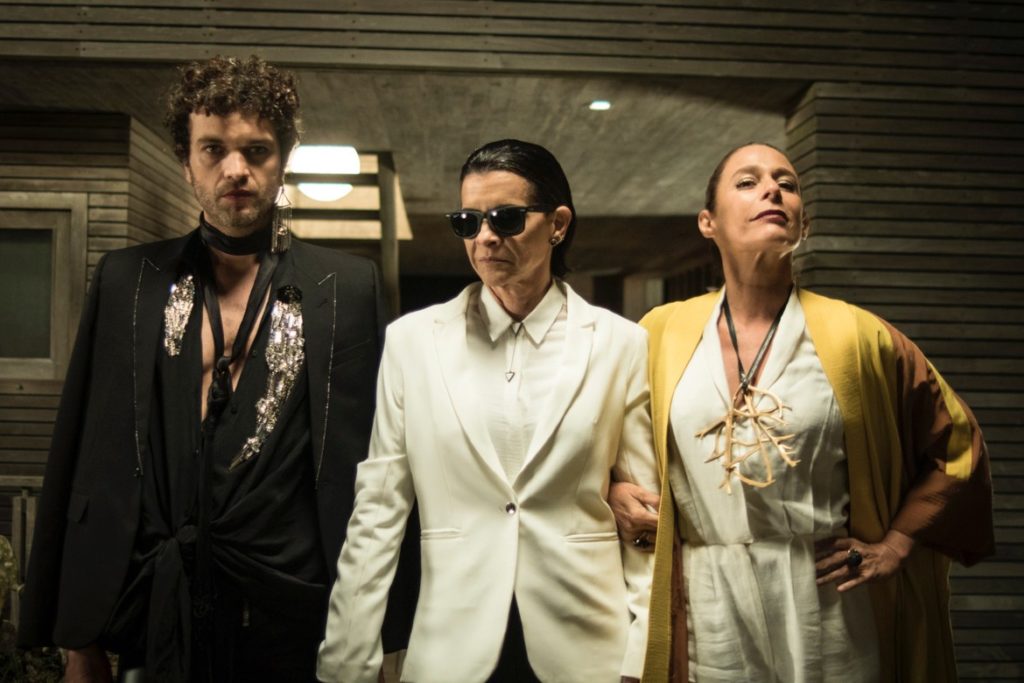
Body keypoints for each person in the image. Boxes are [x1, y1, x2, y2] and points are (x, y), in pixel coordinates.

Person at [18, 55, 413, 682]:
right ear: (186, 162)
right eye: (213, 150)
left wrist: (389, 633)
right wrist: (76, 639)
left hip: (294, 609)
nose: (236, 170)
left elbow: (376, 460)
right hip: (159, 601)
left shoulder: (347, 286)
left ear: (283, 158)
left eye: (256, 150)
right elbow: (84, 452)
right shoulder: (128, 280)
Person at [611, 143, 994, 682]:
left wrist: (895, 545)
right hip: (705, 597)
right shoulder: (660, 331)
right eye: (748, 182)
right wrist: (611, 490)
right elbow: (598, 438)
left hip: (827, 597)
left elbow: (956, 446)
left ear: (803, 225)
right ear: (707, 222)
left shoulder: (860, 336)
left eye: (786, 184)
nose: (772, 189)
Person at [317, 139, 659, 683]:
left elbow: (645, 519)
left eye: (506, 218)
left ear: (558, 224)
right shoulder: (412, 343)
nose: (485, 237)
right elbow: (377, 512)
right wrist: (345, 661)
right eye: (468, 221)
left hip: (588, 649)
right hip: (451, 648)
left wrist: (641, 656)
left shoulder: (621, 344)